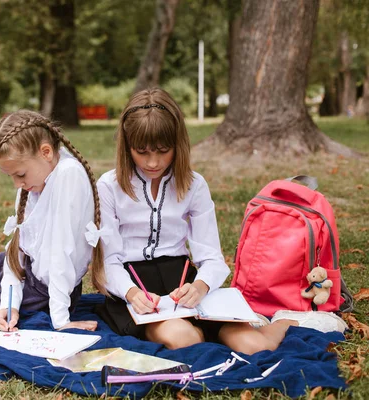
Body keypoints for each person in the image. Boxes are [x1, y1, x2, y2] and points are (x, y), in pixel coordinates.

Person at [95, 88, 347, 355]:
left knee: (255, 346)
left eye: (163, 150)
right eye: (142, 151)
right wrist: (132, 294)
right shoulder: (109, 187)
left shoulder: (194, 185)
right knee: (184, 339)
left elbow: (212, 258)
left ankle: (287, 319)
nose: (153, 162)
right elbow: (107, 262)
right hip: (134, 289)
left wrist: (201, 286)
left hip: (184, 284)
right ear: (127, 145)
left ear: (178, 144)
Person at [0, 110, 107, 332]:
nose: (17, 184)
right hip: (25, 265)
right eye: (12, 177)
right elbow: (18, 248)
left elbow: (60, 253)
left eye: (20, 175)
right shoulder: (35, 178)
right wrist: (9, 304)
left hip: (43, 289)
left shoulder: (68, 176)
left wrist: (60, 320)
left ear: (46, 152)